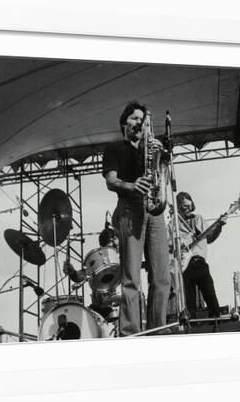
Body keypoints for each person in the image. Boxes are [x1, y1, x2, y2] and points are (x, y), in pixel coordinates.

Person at [101, 101, 170, 336]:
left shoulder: (150, 148)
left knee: (162, 276)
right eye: (134, 118)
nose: (138, 122)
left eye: (142, 119)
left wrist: (161, 156)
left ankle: (158, 330)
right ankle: (131, 333)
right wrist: (131, 185)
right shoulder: (114, 148)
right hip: (130, 208)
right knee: (131, 277)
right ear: (124, 123)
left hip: (155, 210)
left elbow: (162, 176)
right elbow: (111, 181)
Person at [175, 191, 226, 318]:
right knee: (189, 302)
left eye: (188, 206)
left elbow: (210, 238)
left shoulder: (198, 219)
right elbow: (168, 244)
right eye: (183, 207)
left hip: (199, 262)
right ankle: (191, 331)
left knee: (210, 295)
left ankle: (216, 323)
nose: (186, 209)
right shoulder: (173, 224)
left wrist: (219, 226)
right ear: (178, 207)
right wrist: (179, 245)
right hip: (184, 267)